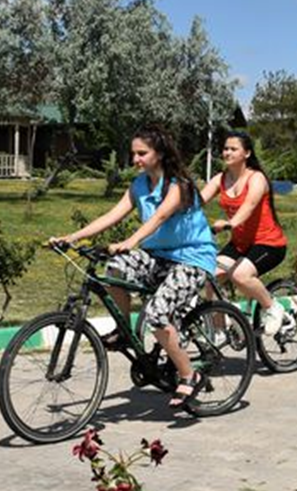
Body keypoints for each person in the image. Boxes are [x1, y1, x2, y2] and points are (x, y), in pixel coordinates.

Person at [51, 127, 218, 409]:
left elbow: (161, 217)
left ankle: (190, 375)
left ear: (160, 154)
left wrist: (130, 241)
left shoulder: (179, 185)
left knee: (156, 314)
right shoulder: (139, 185)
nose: (136, 159)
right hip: (158, 257)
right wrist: (72, 237)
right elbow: (112, 215)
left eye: (142, 153)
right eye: (134, 154)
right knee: (115, 267)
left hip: (191, 259)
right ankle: (122, 330)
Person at [199, 130, 289, 335]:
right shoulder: (220, 179)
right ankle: (221, 328)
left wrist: (229, 224)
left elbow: (248, 207)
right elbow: (197, 201)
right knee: (210, 277)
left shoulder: (256, 179)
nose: (227, 152)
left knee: (239, 275)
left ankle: (272, 307)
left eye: (233, 149)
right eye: (225, 149)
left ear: (246, 153)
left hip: (269, 244)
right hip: (240, 244)